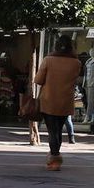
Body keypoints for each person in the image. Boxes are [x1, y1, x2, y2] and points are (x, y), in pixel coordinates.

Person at [33, 36, 82, 171]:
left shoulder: (48, 60)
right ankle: (55, 156)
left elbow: (38, 80)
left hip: (49, 100)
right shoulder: (76, 63)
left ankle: (54, 158)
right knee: (59, 130)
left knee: (52, 130)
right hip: (66, 100)